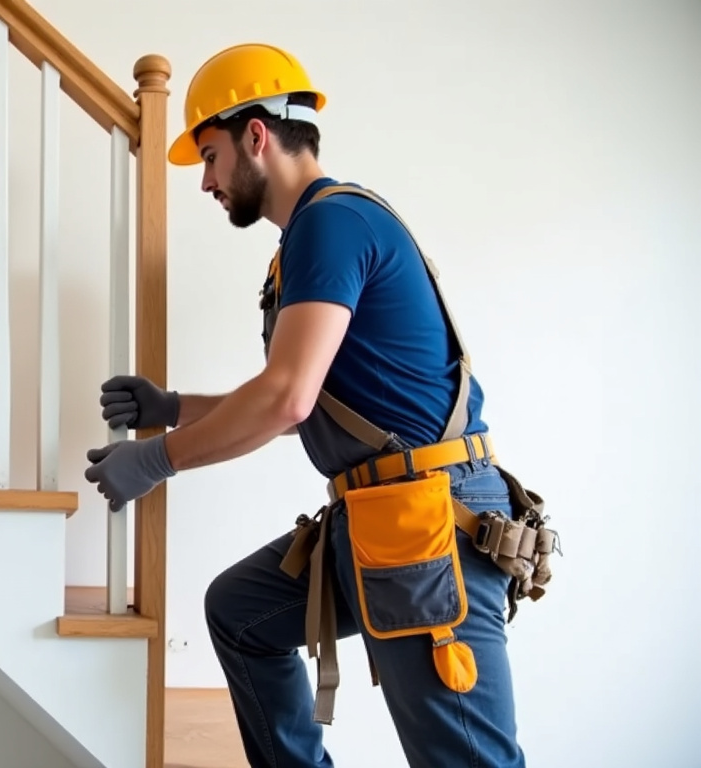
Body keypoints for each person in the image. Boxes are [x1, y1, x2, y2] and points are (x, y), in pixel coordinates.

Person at [82, 42, 557, 768]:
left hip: (429, 524)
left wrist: (156, 458)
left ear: (256, 136)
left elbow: (285, 398)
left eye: (208, 156)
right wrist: (175, 406)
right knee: (241, 612)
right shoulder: (304, 241)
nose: (206, 181)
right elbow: (298, 394)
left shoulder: (331, 224)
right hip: (377, 516)